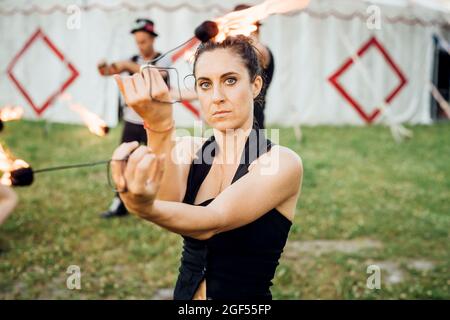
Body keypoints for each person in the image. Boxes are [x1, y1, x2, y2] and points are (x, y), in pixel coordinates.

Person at [111, 35, 303, 300]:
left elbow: (212, 221)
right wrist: (159, 125)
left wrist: (144, 208)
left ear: (256, 85)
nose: (217, 97)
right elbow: (168, 201)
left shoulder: (281, 163)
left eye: (230, 80)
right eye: (205, 84)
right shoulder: (190, 149)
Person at [98, 18, 171, 218]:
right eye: (138, 41)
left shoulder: (162, 59)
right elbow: (107, 72)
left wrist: (128, 65)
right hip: (132, 120)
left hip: (153, 122)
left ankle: (156, 202)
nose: (140, 46)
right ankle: (119, 202)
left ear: (152, 39)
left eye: (144, 41)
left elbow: (157, 76)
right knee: (123, 160)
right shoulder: (132, 59)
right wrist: (102, 67)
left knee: (155, 162)